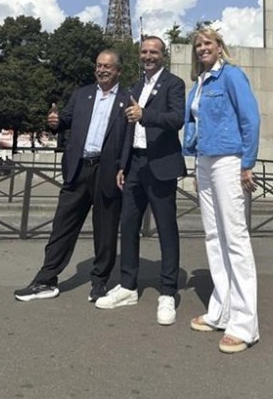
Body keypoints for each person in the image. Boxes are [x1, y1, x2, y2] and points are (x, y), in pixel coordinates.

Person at [14, 50, 129, 303]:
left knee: (106, 230)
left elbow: (131, 138)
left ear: (118, 70)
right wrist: (55, 121)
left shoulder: (128, 99)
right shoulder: (82, 94)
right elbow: (65, 119)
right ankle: (45, 279)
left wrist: (124, 167)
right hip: (78, 168)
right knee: (62, 227)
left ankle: (100, 281)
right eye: (98, 65)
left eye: (107, 66)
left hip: (108, 171)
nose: (102, 70)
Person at [94, 36, 187, 326]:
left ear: (163, 55)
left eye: (154, 52)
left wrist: (145, 114)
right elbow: (126, 129)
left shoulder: (174, 83)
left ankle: (168, 291)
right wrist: (123, 164)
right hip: (134, 163)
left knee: (166, 228)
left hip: (160, 164)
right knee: (128, 225)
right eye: (144, 51)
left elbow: (177, 119)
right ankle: (128, 285)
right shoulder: (135, 86)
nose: (148, 56)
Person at [182, 27, 261, 354]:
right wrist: (196, 163)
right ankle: (221, 311)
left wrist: (247, 162)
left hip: (229, 159)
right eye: (198, 45)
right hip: (205, 160)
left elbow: (250, 118)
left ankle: (245, 324)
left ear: (219, 47)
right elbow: (194, 125)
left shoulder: (231, 76)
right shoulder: (198, 83)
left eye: (208, 43)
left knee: (235, 238)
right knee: (214, 237)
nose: (203, 48)